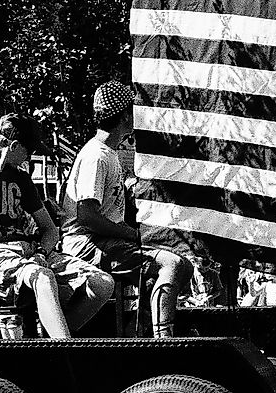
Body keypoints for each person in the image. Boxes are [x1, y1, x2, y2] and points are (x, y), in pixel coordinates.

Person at [0, 113, 114, 337]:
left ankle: (52, 339)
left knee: (102, 283)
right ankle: (66, 352)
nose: (28, 158)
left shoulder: (21, 179)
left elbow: (50, 229)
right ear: (13, 146)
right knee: (41, 277)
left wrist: (41, 252)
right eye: (28, 151)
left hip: (29, 251)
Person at [61, 81, 192, 338]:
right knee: (171, 264)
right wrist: (131, 235)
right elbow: (86, 216)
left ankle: (140, 332)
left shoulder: (108, 154)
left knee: (183, 265)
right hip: (87, 243)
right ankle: (163, 339)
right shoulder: (96, 156)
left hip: (105, 241)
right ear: (124, 116)